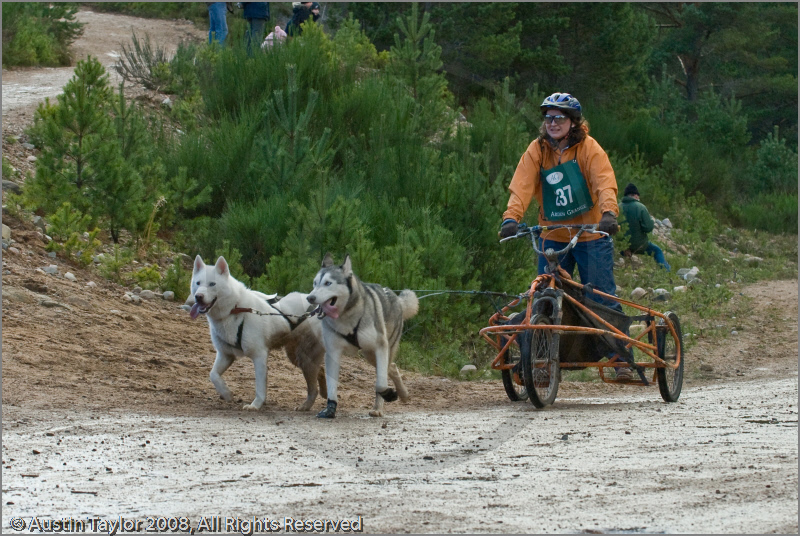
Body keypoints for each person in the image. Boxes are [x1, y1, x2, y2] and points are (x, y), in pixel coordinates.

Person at [499, 92, 633, 380]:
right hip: (553, 234)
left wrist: (609, 213)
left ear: (573, 122)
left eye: (559, 117)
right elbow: (521, 186)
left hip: (591, 236)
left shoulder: (589, 149)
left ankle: (620, 357)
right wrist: (511, 218)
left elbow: (604, 182)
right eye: (548, 118)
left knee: (600, 297)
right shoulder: (538, 150)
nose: (553, 123)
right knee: (544, 296)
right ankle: (543, 360)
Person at [620, 183, 671, 271]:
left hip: (621, 244)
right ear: (635, 195)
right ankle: (666, 271)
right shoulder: (640, 207)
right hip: (638, 244)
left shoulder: (617, 207)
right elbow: (648, 228)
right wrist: (650, 221)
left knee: (620, 250)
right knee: (657, 250)